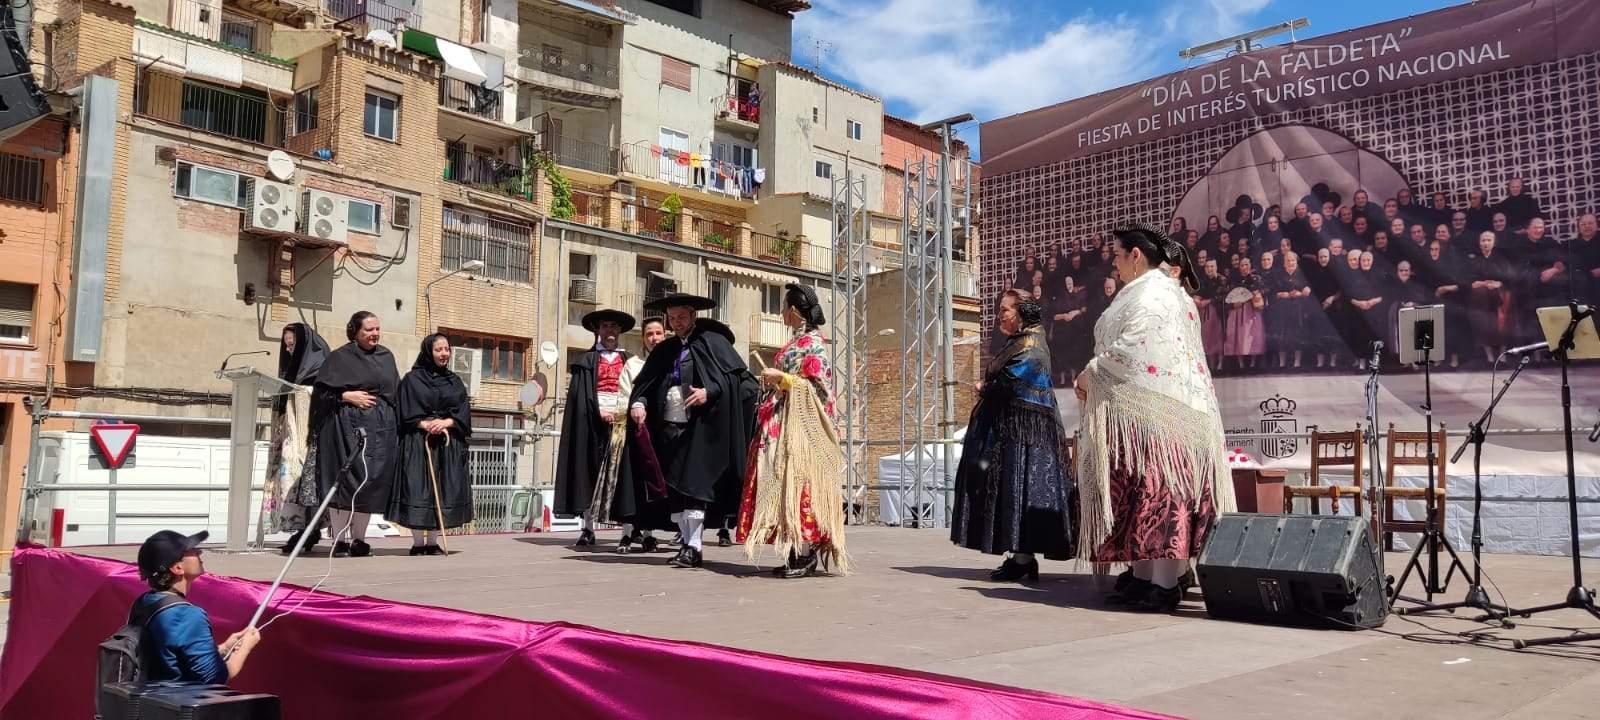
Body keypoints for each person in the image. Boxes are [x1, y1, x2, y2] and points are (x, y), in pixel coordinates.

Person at [1074, 221, 1234, 611]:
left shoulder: (1155, 292)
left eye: (1117, 255)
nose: (1114, 264)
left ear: (1136, 255)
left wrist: (1092, 372)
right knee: (1144, 493)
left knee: (1162, 494)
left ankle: (1164, 583)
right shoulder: (1158, 290)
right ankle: (1145, 576)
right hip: (1162, 410)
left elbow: (1133, 346)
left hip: (1162, 412)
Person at [952, 289, 1075, 582]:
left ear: (1021, 313)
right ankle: (1021, 558)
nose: (1000, 316)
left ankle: (1022, 560)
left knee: (1021, 490)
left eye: (1005, 310)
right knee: (1012, 491)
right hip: (1012, 431)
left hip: (1024, 435)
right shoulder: (1020, 340)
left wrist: (985, 388)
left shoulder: (1031, 344)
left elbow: (1013, 382)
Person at [626, 293, 756, 569]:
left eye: (682, 317)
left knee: (694, 486)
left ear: (694, 316)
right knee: (675, 488)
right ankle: (686, 544)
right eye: (672, 318)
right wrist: (639, 402)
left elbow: (738, 383)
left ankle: (695, 546)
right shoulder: (664, 350)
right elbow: (646, 384)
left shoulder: (712, 342)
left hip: (701, 428)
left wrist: (709, 391)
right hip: (668, 428)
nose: (677, 323)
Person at [737, 284, 850, 578]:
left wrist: (784, 379)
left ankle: (806, 552)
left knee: (801, 485)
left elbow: (820, 388)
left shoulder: (813, 345)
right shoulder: (795, 343)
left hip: (803, 430)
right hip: (783, 424)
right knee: (783, 481)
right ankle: (793, 550)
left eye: (784, 306)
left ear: (795, 311)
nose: (782, 312)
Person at [312, 311, 400, 558]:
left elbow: (396, 393)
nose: (375, 334)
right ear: (355, 331)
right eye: (369, 330)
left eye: (377, 329)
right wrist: (345, 396)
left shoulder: (386, 356)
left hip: (380, 431)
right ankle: (339, 540)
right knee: (344, 482)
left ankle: (359, 540)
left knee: (369, 482)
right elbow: (320, 394)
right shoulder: (339, 357)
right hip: (346, 429)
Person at [555, 309, 641, 548]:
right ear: (598, 330)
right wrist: (598, 411)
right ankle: (588, 528)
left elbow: (634, 393)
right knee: (588, 472)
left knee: (623, 475)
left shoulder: (630, 361)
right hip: (592, 422)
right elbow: (580, 396)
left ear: (620, 330)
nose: (610, 331)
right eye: (605, 326)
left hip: (622, 422)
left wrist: (621, 414)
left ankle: (627, 531)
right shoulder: (586, 361)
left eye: (614, 326)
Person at [132, 530, 259, 683]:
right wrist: (246, 646)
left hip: (145, 695)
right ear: (177, 568)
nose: (199, 552)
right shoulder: (187, 615)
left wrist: (225, 647)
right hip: (175, 698)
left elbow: (170, 657)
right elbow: (215, 678)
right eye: (192, 550)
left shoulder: (143, 602)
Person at [388, 334, 474, 556]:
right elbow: (403, 411)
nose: (444, 354)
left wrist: (446, 422)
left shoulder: (455, 381)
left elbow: (464, 412)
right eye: (438, 350)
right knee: (417, 488)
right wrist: (423, 423)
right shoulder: (412, 380)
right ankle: (418, 543)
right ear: (428, 352)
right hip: (418, 442)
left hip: (446, 443)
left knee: (442, 489)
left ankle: (433, 542)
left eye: (446, 349)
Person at [608, 316, 671, 551]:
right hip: (636, 431)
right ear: (643, 338)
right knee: (633, 482)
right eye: (649, 334)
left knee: (655, 484)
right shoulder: (633, 365)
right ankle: (626, 532)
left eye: (658, 333)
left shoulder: (673, 361)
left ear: (665, 335)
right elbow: (624, 396)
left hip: (662, 432)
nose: (654, 338)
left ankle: (649, 533)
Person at [270, 323, 331, 555]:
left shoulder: (321, 371)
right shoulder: (293, 371)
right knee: (292, 481)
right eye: (285, 346)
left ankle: (310, 528)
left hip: (308, 437)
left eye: (292, 345)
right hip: (291, 432)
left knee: (306, 479)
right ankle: (302, 528)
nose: (288, 351)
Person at [1468, 231, 1515, 362]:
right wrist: (1482, 284)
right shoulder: (1474, 261)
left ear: (1494, 242)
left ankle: (1502, 355)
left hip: (1498, 296)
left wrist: (1499, 283)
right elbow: (1470, 280)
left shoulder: (1501, 260)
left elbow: (1509, 278)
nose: (1486, 243)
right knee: (1482, 324)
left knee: (1501, 325)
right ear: (1479, 243)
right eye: (1483, 240)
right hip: (1480, 298)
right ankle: (1489, 356)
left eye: (1489, 240)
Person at [1266, 251, 1316, 370]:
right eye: (1288, 261)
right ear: (1284, 263)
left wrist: (1302, 292)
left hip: (1299, 308)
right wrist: (1280, 294)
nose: (1290, 263)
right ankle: (1282, 363)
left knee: (1297, 334)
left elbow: (1309, 290)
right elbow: (1272, 292)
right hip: (1282, 308)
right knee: (1282, 335)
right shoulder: (1278, 275)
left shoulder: (1303, 275)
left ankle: (1297, 362)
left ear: (1296, 262)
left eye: (1293, 260)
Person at [1223, 255, 1266, 372]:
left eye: (1247, 265)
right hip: (1237, 312)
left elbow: (1264, 291)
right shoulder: (1233, 280)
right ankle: (1241, 364)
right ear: (1239, 267)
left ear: (1250, 266)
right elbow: (1226, 298)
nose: (1244, 267)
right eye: (1242, 265)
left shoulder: (1256, 278)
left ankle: (1253, 363)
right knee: (1239, 336)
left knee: (1253, 335)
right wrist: (1233, 304)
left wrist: (1256, 294)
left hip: (1252, 310)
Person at [1307, 247, 1346, 369]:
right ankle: (1320, 363)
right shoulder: (1313, 272)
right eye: (1321, 257)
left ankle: (1332, 362)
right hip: (1318, 306)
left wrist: (1331, 298)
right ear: (1318, 258)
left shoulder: (1336, 271)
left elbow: (1341, 289)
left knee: (1333, 334)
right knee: (1319, 334)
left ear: (1329, 257)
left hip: (1333, 305)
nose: (1323, 259)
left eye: (1325, 257)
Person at [1049, 275, 1086, 387]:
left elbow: (1084, 309)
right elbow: (1053, 316)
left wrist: (1075, 312)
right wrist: (1063, 316)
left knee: (1074, 354)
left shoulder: (1078, 296)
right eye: (1067, 283)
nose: (1069, 285)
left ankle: (1074, 379)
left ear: (1073, 284)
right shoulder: (1059, 298)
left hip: (1075, 330)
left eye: (1070, 283)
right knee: (1062, 354)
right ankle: (1062, 380)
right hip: (1062, 330)